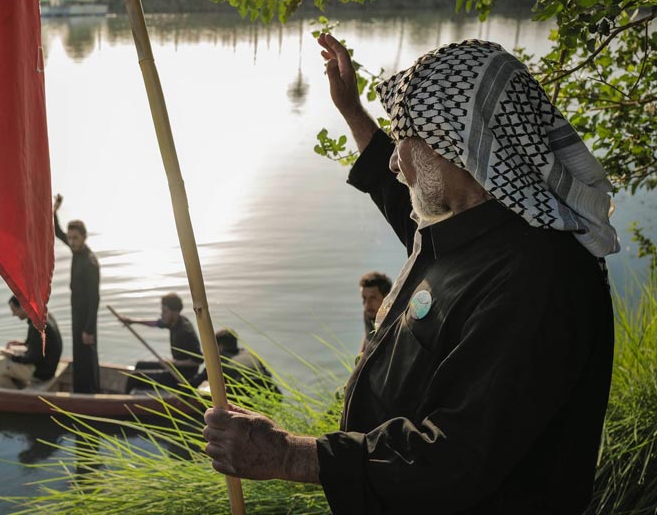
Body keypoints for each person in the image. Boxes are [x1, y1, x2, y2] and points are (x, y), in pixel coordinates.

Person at [202, 34, 619, 515]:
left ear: (457, 148)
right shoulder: (475, 225)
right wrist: (353, 114)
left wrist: (288, 455)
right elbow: (404, 201)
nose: (398, 162)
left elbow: (456, 457)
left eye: (407, 141)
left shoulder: (540, 281)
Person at [54, 193, 100, 393]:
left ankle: (90, 392)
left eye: (75, 238)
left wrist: (89, 329)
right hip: (76, 309)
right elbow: (57, 232)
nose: (71, 241)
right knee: (78, 353)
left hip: (86, 314)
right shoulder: (76, 251)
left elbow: (95, 298)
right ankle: (81, 389)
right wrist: (55, 210)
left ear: (84, 237)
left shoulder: (90, 262)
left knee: (87, 352)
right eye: (70, 238)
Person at [119, 293, 202, 390]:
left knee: (135, 377)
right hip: (174, 368)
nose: (162, 314)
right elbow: (155, 323)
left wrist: (174, 362)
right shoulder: (174, 321)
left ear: (175, 312)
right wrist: (132, 321)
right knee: (140, 365)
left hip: (182, 376)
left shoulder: (185, 332)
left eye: (165, 311)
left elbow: (198, 360)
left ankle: (125, 402)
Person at [0, 296, 63, 389]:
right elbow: (41, 344)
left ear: (23, 307)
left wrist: (10, 356)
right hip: (49, 367)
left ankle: (12, 395)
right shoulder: (46, 315)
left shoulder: (36, 326)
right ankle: (21, 385)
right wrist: (22, 343)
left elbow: (31, 358)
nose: (13, 314)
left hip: (41, 373)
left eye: (14, 310)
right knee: (16, 353)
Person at [190, 328, 280, 399]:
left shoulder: (220, 359)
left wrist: (181, 393)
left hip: (243, 397)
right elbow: (268, 376)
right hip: (270, 394)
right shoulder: (250, 354)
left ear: (220, 346)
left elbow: (199, 380)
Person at [358, 271, 392, 352]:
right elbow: (367, 336)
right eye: (364, 298)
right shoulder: (369, 312)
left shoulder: (393, 321)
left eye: (373, 298)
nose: (367, 304)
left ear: (386, 297)